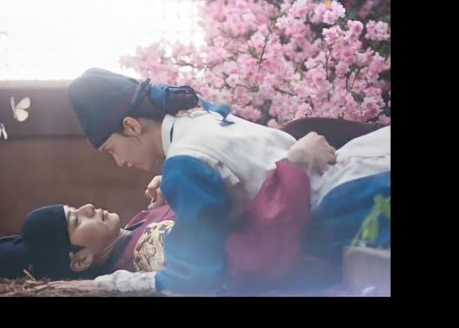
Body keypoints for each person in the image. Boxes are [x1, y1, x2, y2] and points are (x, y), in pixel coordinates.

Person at [56, 68, 390, 294]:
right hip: (356, 165)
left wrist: (108, 284)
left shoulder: (184, 164)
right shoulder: (197, 116)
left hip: (343, 208)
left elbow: (193, 276)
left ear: (131, 126)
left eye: (111, 151)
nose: (120, 162)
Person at [0, 131, 348, 293]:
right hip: (326, 228)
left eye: (75, 207)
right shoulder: (151, 251)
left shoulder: (136, 230)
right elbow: (253, 255)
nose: (88, 206)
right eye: (76, 220)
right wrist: (295, 167)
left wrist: (177, 190)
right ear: (80, 261)